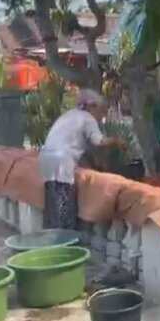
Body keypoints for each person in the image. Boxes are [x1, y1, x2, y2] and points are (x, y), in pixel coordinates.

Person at [38, 90, 122, 229]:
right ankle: (64, 240)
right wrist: (117, 141)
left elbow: (80, 148)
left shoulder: (69, 115)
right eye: (101, 111)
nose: (101, 116)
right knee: (64, 203)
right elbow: (99, 141)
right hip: (62, 161)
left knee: (52, 201)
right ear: (92, 106)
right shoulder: (87, 118)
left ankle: (52, 234)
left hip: (46, 158)